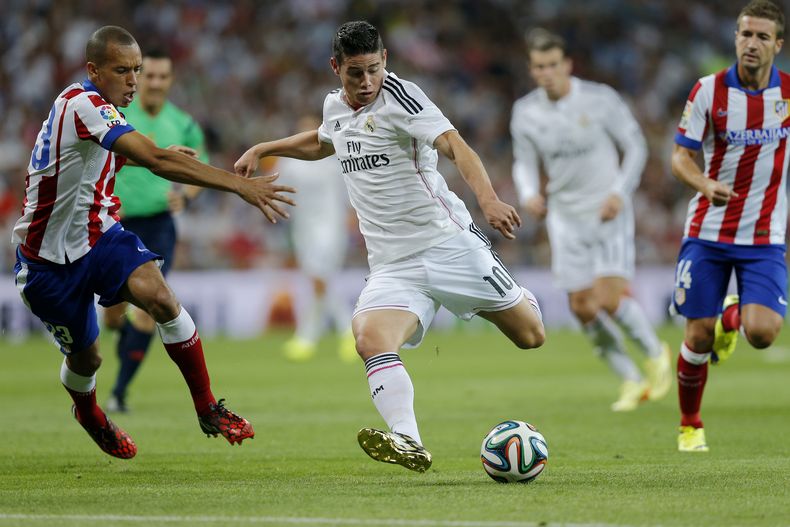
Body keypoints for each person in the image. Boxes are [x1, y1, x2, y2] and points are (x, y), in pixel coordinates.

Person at [235, 20, 545, 473]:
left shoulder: (403, 97)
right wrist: (266, 146)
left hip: (447, 243)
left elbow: (456, 147)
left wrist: (489, 199)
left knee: (531, 336)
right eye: (354, 73)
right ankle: (409, 440)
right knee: (369, 337)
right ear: (335, 67)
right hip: (393, 263)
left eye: (374, 70)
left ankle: (516, 297)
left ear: (386, 62)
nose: (366, 82)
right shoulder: (335, 108)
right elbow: (324, 141)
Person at [11, 26, 294, 459]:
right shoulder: (83, 104)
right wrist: (240, 187)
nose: (133, 80)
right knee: (87, 361)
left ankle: (207, 408)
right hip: (46, 263)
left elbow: (101, 157)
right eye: (122, 70)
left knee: (160, 298)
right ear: (94, 70)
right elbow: (156, 162)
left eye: (137, 70)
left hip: (100, 236)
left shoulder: (92, 107)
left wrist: (154, 152)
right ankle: (89, 414)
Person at [510, 29, 672, 412]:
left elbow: (635, 145)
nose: (547, 72)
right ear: (532, 71)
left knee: (609, 299)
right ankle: (631, 380)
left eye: (553, 65)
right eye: (539, 67)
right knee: (582, 307)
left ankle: (656, 355)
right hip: (564, 217)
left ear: (567, 65)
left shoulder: (600, 100)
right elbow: (524, 161)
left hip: (606, 211)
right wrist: (529, 192)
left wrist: (620, 192)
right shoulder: (526, 112)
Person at [671, 0, 787, 452]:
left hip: (763, 237)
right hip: (707, 232)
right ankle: (690, 424)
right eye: (745, 34)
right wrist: (704, 183)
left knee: (762, 334)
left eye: (761, 36)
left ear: (778, 44)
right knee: (698, 335)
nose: (751, 43)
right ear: (735, 38)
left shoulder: (789, 94)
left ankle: (733, 315)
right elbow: (680, 156)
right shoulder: (708, 91)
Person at [103, 48, 207, 413]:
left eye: (164, 77)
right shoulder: (115, 115)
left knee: (150, 308)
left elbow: (199, 165)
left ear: (171, 80)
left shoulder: (184, 123)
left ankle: (118, 393)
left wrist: (187, 197)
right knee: (113, 316)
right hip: (114, 224)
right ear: (138, 77)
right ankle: (121, 335)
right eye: (151, 76)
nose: (157, 83)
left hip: (160, 225)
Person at [276, 115, 356, 363]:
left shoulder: (334, 159)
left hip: (331, 226)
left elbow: (350, 193)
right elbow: (278, 190)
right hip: (303, 229)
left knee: (319, 278)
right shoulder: (289, 163)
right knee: (318, 281)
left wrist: (353, 218)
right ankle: (311, 337)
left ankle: (338, 332)